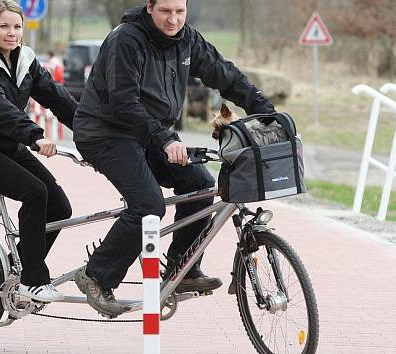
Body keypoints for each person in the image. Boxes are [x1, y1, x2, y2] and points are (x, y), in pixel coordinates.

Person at [72, 0, 276, 317]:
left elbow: (226, 76)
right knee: (148, 205)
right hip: (106, 132)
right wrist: (165, 138)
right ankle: (95, 275)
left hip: (150, 132)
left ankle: (183, 270)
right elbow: (122, 102)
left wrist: (267, 112)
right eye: (166, 11)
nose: (173, 19)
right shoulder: (126, 38)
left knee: (201, 186)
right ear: (150, 7)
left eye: (180, 11)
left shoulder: (187, 39)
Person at [0, 0, 77, 302]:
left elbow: (57, 97)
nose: (12, 33)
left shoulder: (25, 60)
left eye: (17, 26)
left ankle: (20, 267)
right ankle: (32, 280)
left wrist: (94, 133)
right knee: (35, 192)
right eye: (4, 26)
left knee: (60, 207)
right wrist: (35, 137)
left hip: (9, 146)